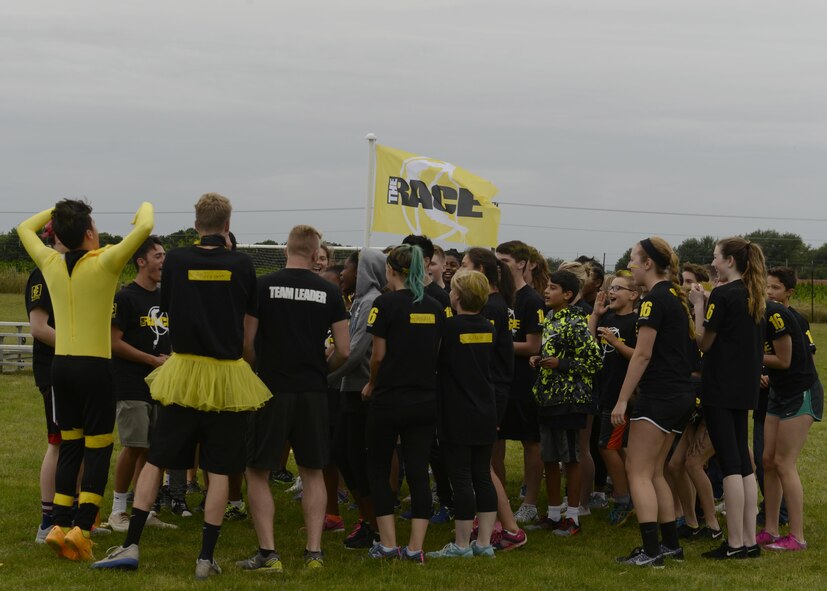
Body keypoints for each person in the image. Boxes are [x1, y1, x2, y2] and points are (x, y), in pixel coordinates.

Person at [92, 193, 271, 579]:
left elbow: (168, 307)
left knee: (156, 460)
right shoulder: (242, 263)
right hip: (226, 375)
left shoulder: (176, 260)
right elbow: (248, 333)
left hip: (184, 372)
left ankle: (131, 545)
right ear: (227, 225)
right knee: (220, 470)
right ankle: (205, 558)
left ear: (196, 224)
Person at [18, 199, 154, 561]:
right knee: (98, 447)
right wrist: (142, 204)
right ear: (91, 233)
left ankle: (58, 524)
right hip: (95, 368)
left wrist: (58, 211)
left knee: (70, 443)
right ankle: (83, 526)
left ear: (59, 233)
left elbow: (23, 230)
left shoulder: (49, 261)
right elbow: (143, 228)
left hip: (60, 366)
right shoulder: (106, 261)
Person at [242, 225, 350, 572]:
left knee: (258, 471)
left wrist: (260, 366)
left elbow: (247, 343)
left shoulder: (262, 286)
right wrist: (322, 369)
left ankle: (268, 553)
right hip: (313, 390)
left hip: (272, 387)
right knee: (313, 470)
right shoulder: (329, 291)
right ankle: (314, 552)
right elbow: (345, 351)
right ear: (316, 251)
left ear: (287, 248)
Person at [611, 237, 695, 568]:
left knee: (638, 471)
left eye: (633, 259)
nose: (630, 264)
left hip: (660, 395)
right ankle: (670, 546)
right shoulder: (675, 295)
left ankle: (651, 552)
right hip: (680, 393)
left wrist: (621, 400)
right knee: (656, 471)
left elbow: (643, 354)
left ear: (648, 264)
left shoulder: (654, 300)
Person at [363, 244, 443, 563]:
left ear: (391, 270)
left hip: (389, 399)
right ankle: (415, 549)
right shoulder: (437, 306)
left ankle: (387, 545)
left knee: (379, 469)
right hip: (424, 399)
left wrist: (371, 383)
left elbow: (378, 355)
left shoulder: (384, 304)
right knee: (419, 472)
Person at [688, 237, 766, 560]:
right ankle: (748, 540)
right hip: (744, 388)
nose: (713, 262)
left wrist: (697, 305)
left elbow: (703, 341)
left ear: (730, 261)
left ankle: (734, 543)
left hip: (719, 388)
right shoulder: (753, 294)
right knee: (743, 464)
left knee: (731, 463)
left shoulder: (722, 294)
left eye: (716, 257)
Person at [107, 236, 178, 533]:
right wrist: (151, 361)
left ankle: (142, 509)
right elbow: (112, 342)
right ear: (141, 261)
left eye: (164, 255)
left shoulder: (166, 296)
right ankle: (118, 510)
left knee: (153, 450)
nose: (164, 260)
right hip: (131, 383)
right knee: (134, 446)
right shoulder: (126, 297)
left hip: (160, 386)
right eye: (158, 255)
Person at [427, 269, 499, 558]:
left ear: (455, 296)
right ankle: (484, 543)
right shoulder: (490, 327)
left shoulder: (448, 327)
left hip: (456, 411)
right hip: (485, 409)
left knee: (461, 478)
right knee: (482, 475)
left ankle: (460, 545)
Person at [461, 247, 527, 551]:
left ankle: (511, 528)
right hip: (493, 390)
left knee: (482, 464)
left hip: (490, 391)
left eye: (465, 265)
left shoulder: (492, 307)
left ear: (481, 271)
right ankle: (490, 521)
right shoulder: (498, 304)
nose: (459, 270)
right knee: (482, 462)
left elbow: (479, 356)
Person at [530, 270, 602, 536]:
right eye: (546, 287)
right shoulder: (550, 317)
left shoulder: (576, 321)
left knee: (570, 458)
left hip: (570, 400)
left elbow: (594, 361)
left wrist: (562, 364)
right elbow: (553, 351)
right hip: (548, 397)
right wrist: (539, 359)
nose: (546, 291)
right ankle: (551, 513)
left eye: (553, 288)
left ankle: (572, 518)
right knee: (548, 455)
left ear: (568, 294)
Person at [329, 248, 387, 549]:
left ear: (362, 272)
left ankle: (375, 527)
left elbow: (354, 352)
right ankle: (367, 521)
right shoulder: (358, 302)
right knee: (343, 453)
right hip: (347, 389)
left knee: (359, 459)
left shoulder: (371, 301)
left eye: (348, 269)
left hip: (361, 393)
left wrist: (326, 377)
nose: (342, 274)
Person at [758, 284, 822, 551]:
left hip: (800, 391)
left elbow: (784, 361)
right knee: (768, 461)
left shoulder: (776, 314)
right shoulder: (751, 314)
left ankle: (797, 536)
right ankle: (771, 530)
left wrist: (746, 357)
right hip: (778, 392)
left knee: (784, 463)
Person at [495, 241, 544, 524]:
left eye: (505, 260)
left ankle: (530, 503)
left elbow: (533, 346)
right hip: (498, 381)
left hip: (524, 382)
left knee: (530, 442)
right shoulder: (498, 298)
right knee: (494, 441)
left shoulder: (532, 299)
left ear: (523, 264)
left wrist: (499, 345)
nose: (500, 266)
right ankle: (498, 499)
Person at [25, 221, 67, 543]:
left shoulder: (73, 271)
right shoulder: (42, 274)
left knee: (77, 442)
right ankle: (46, 521)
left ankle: (78, 515)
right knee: (58, 442)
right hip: (53, 370)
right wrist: (77, 344)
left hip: (73, 367)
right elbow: (39, 328)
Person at [589, 272, 639, 526]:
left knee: (607, 446)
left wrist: (616, 342)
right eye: (611, 288)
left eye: (619, 288)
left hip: (624, 396)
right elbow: (589, 342)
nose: (612, 291)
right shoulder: (607, 316)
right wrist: (596, 315)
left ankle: (623, 498)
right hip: (605, 391)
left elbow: (639, 356)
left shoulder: (636, 321)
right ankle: (631, 495)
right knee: (616, 446)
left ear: (633, 295)